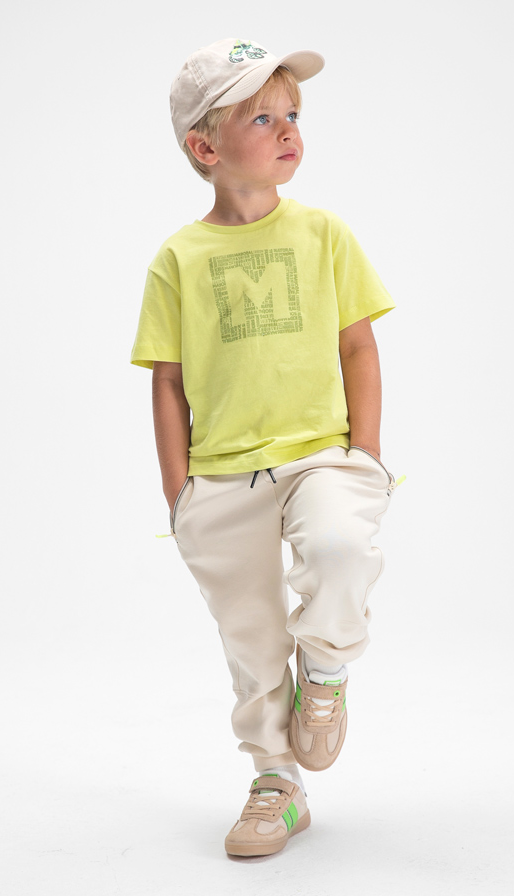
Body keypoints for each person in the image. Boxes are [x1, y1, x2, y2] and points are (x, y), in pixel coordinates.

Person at [130, 37, 400, 857]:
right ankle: (277, 783)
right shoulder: (179, 259)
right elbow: (168, 381)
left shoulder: (324, 234)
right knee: (249, 642)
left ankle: (325, 672)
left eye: (293, 115)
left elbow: (358, 345)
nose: (288, 130)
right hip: (221, 478)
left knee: (341, 547)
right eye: (262, 118)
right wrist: (179, 492)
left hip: (322, 455)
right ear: (205, 148)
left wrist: (367, 454)